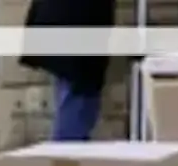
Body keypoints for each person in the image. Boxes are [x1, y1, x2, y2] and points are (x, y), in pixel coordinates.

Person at [21, 0, 116, 143]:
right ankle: (63, 155)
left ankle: (65, 153)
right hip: (77, 28)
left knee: (73, 103)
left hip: (63, 23)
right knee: (77, 110)